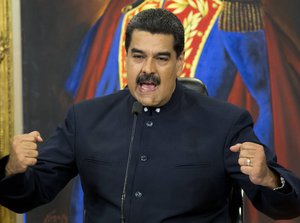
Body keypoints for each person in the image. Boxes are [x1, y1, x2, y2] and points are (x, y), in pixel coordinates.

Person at [1, 8, 300, 222]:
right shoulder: (85, 118)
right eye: (138, 56)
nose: (148, 70)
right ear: (126, 56)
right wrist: (13, 171)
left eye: (161, 58)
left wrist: (269, 178)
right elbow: (30, 195)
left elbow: (286, 206)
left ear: (179, 62)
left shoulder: (227, 123)